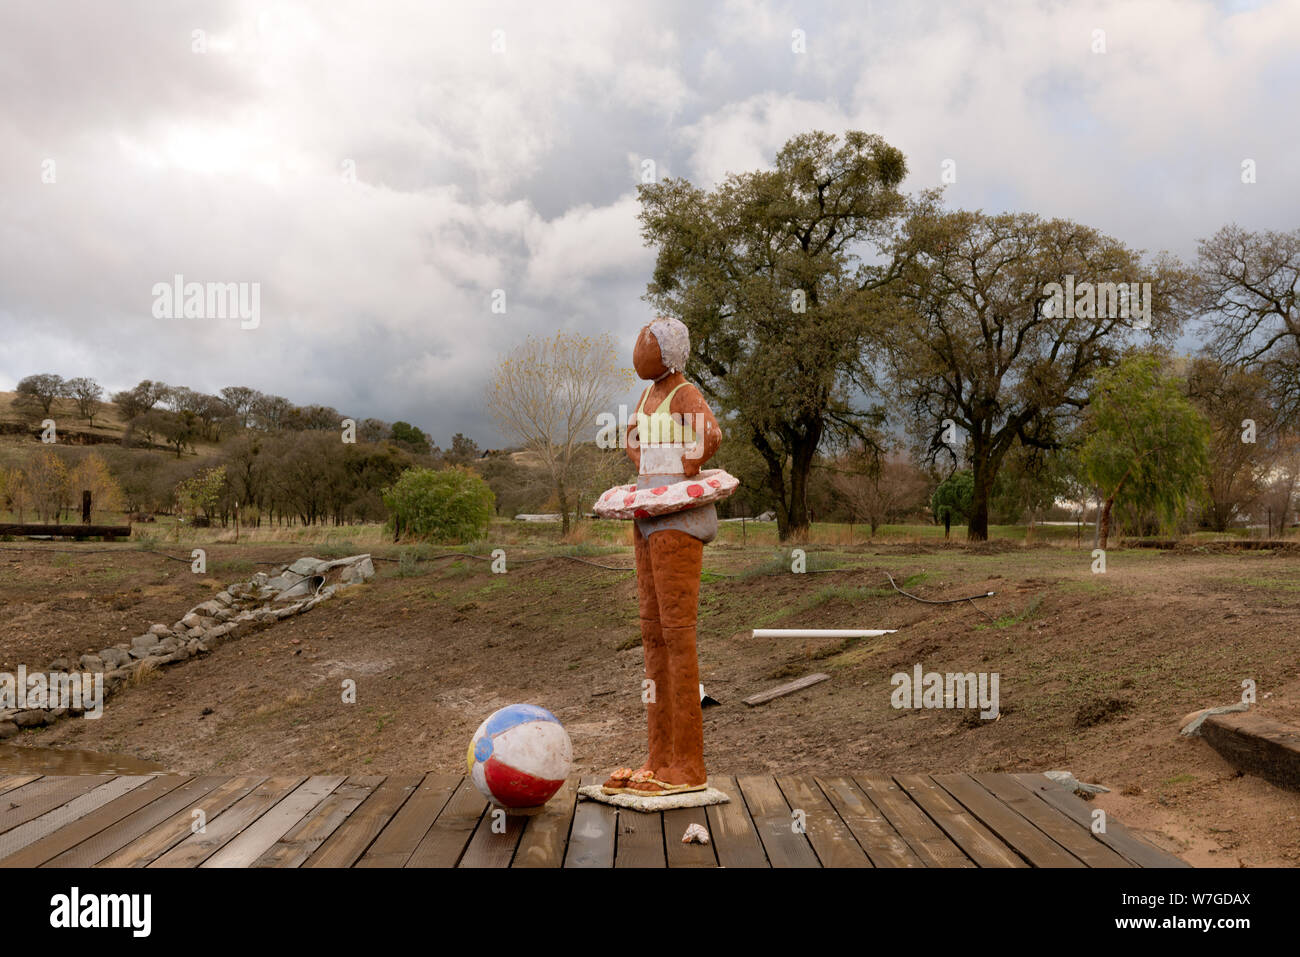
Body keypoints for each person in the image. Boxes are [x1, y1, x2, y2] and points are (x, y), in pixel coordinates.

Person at [602, 318, 722, 796]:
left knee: (676, 635)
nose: (638, 351)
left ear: (669, 350)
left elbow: (710, 435)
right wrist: (648, 470)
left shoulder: (684, 393)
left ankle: (687, 764)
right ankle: (659, 754)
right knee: (652, 633)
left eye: (646, 342)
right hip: (646, 511)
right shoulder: (650, 395)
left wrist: (682, 469)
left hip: (676, 516)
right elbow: (631, 438)